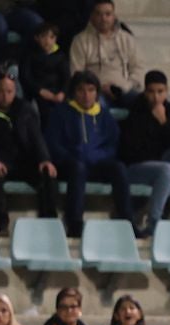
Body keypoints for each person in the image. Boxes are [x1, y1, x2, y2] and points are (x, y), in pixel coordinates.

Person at [0, 75, 60, 234]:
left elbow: (35, 137)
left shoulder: (25, 109)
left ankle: (49, 223)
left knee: (48, 174)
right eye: (1, 91)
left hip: (22, 160)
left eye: (9, 91)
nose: (5, 96)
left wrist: (45, 160)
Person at [46, 72, 131, 239]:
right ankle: (75, 223)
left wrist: (96, 155)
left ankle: (128, 221)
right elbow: (53, 143)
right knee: (77, 169)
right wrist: (74, 155)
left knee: (119, 168)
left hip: (97, 163)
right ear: (74, 92)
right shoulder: (61, 113)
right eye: (81, 90)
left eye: (91, 90)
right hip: (70, 163)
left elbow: (112, 145)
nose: (86, 95)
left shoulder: (104, 115)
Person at [119, 70, 170, 237]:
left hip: (160, 160)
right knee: (167, 170)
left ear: (167, 92)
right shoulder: (137, 111)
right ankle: (154, 223)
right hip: (137, 166)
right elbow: (133, 149)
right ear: (145, 92)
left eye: (160, 92)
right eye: (151, 92)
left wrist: (163, 121)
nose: (156, 97)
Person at [69, 0, 146, 107]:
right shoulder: (80, 40)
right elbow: (76, 73)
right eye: (99, 14)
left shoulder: (127, 39)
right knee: (98, 106)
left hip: (123, 90)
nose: (103, 18)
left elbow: (138, 68)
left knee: (145, 103)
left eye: (108, 14)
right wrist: (96, 88)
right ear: (91, 16)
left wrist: (123, 88)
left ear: (114, 16)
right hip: (95, 92)